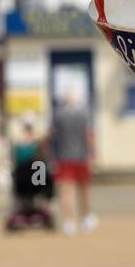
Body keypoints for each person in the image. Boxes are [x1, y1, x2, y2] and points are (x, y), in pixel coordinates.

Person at [49, 90, 97, 235]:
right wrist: (92, 155)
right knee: (84, 191)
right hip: (81, 157)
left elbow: (52, 136)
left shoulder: (58, 114)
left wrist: (51, 155)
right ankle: (86, 218)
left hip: (64, 158)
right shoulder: (83, 114)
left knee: (66, 193)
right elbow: (89, 135)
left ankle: (69, 223)